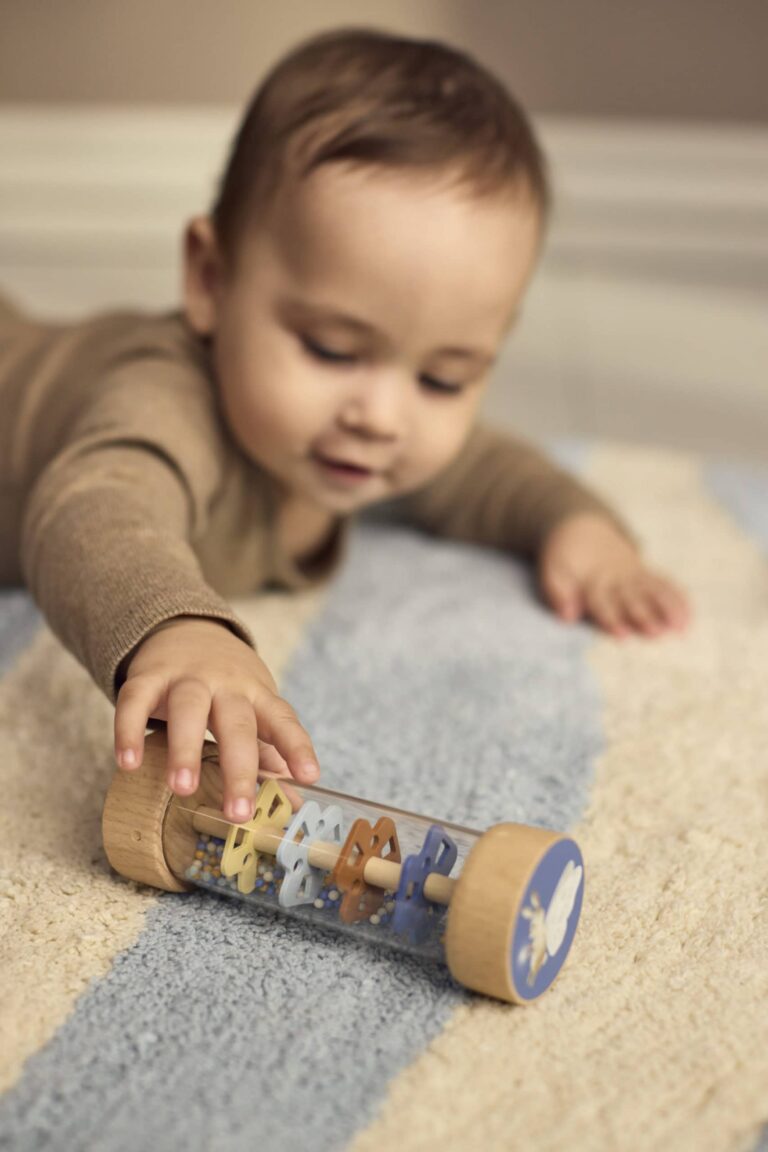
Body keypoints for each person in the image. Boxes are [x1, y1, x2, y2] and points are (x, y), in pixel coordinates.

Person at [0, 28, 689, 825]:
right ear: (211, 281)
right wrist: (181, 629)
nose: (382, 417)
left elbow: (481, 468)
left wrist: (574, 522)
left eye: (443, 377)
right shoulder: (166, 397)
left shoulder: (356, 431)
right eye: (332, 349)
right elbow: (94, 506)